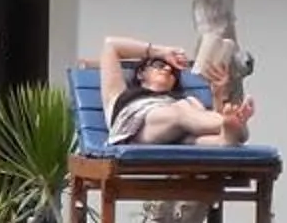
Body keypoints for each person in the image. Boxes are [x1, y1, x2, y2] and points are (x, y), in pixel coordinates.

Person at [100, 35, 253, 144]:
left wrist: (218, 94)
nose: (167, 68)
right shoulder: (119, 95)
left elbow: (200, 120)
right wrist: (162, 52)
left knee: (195, 130)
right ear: (141, 73)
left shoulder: (184, 101)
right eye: (159, 65)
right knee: (182, 111)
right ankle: (236, 124)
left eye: (173, 71)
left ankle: (227, 138)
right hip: (138, 131)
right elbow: (111, 45)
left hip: (178, 132)